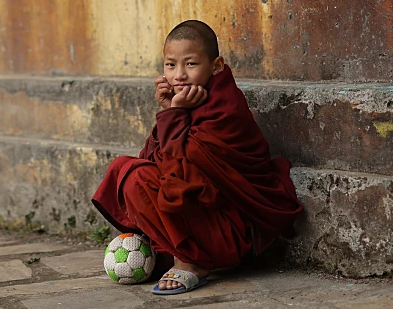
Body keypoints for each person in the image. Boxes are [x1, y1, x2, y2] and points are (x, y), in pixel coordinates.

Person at [92, 20, 303, 295]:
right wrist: (169, 111)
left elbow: (177, 181)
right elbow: (154, 161)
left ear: (216, 66)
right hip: (206, 222)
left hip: (231, 233)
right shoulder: (186, 100)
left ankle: (191, 262)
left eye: (190, 64)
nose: (179, 75)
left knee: (141, 177)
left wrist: (174, 116)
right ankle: (182, 251)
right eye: (170, 65)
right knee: (127, 169)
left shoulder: (226, 109)